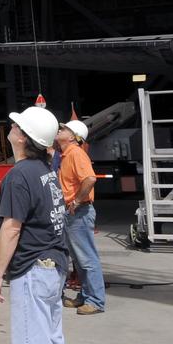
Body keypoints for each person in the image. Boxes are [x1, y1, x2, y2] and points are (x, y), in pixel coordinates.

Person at [0, 105, 68, 344]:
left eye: (16, 125)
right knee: (51, 340)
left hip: (33, 270)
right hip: (54, 266)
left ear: (23, 137)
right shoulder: (45, 171)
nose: (11, 127)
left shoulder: (19, 175)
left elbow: (11, 229)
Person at [57, 118, 105, 315]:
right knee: (79, 259)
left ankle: (96, 301)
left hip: (79, 212)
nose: (59, 130)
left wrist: (76, 201)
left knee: (86, 258)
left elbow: (90, 179)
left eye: (64, 129)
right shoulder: (66, 155)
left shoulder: (76, 153)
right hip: (73, 213)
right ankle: (86, 297)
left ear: (73, 137)